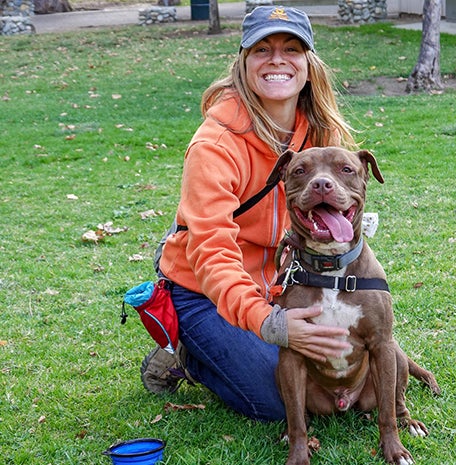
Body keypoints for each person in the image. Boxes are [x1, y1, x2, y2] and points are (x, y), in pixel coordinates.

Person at [142, 5, 356, 422]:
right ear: (244, 63)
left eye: (291, 49)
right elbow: (213, 254)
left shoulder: (321, 133)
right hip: (202, 289)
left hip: (277, 283)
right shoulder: (215, 144)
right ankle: (188, 353)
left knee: (322, 381)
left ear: (308, 65)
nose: (277, 60)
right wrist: (272, 326)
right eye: (263, 49)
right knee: (278, 400)